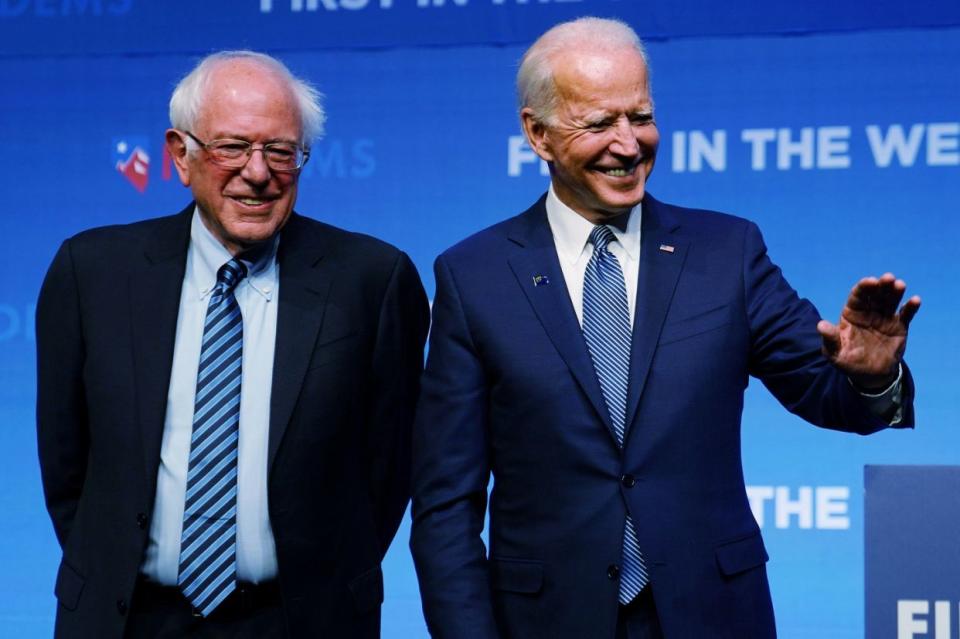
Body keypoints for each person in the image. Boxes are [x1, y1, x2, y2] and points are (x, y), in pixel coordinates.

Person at [409, 17, 920, 639]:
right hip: (545, 621)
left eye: (641, 117)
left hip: (712, 614)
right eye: (599, 123)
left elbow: (831, 396)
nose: (628, 144)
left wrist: (874, 378)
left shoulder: (726, 252)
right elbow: (444, 506)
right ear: (537, 134)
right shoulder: (474, 275)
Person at [36, 50, 430, 639]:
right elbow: (68, 467)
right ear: (180, 155)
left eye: (280, 151)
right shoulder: (91, 272)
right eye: (232, 147)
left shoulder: (373, 280)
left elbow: (388, 468)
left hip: (303, 621)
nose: (257, 171)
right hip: (127, 620)